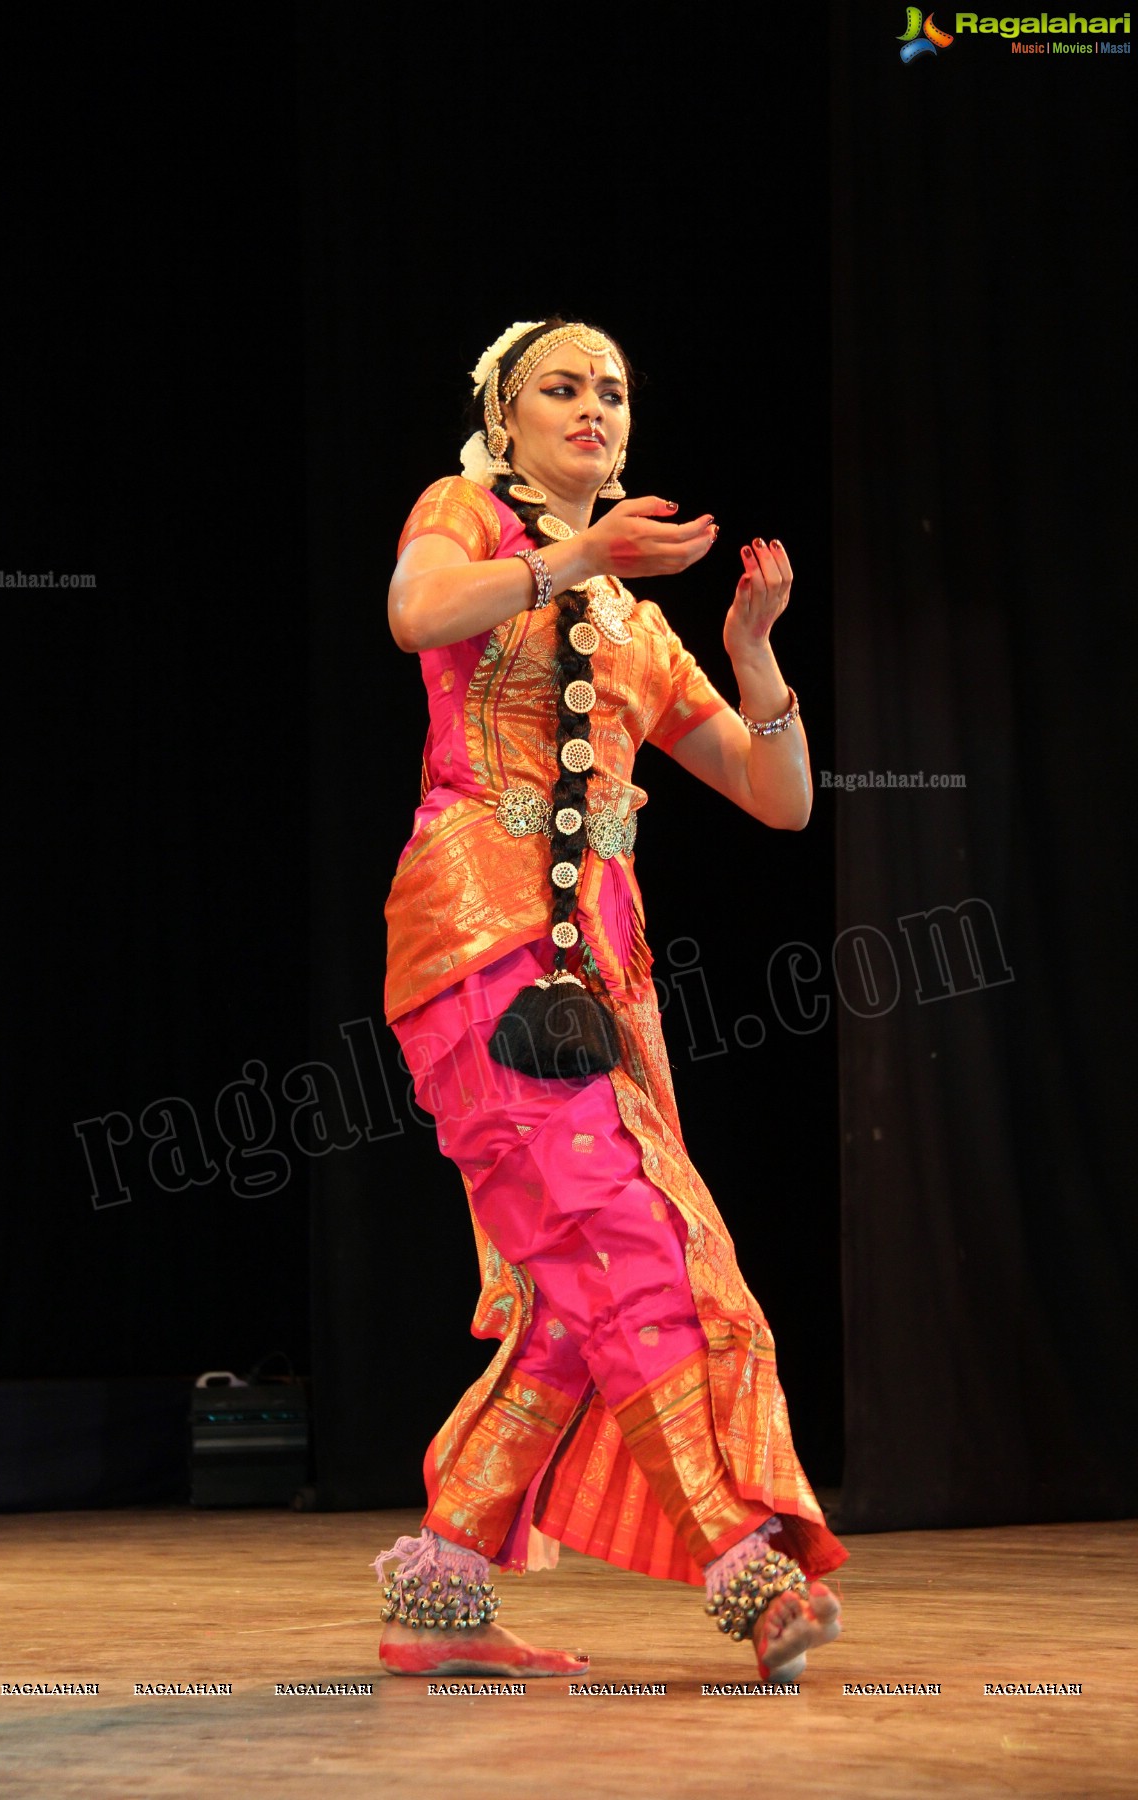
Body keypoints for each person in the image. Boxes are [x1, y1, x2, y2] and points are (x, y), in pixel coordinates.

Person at [373, 318, 846, 1683]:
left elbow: (780, 797)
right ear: (505, 419)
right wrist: (570, 556)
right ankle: (742, 1570)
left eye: (614, 391)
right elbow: (416, 613)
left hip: (602, 986)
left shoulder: (635, 626)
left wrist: (757, 658)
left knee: (588, 1294)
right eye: (562, 388)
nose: (594, 407)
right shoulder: (463, 514)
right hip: (479, 943)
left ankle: (439, 1596)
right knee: (632, 1254)